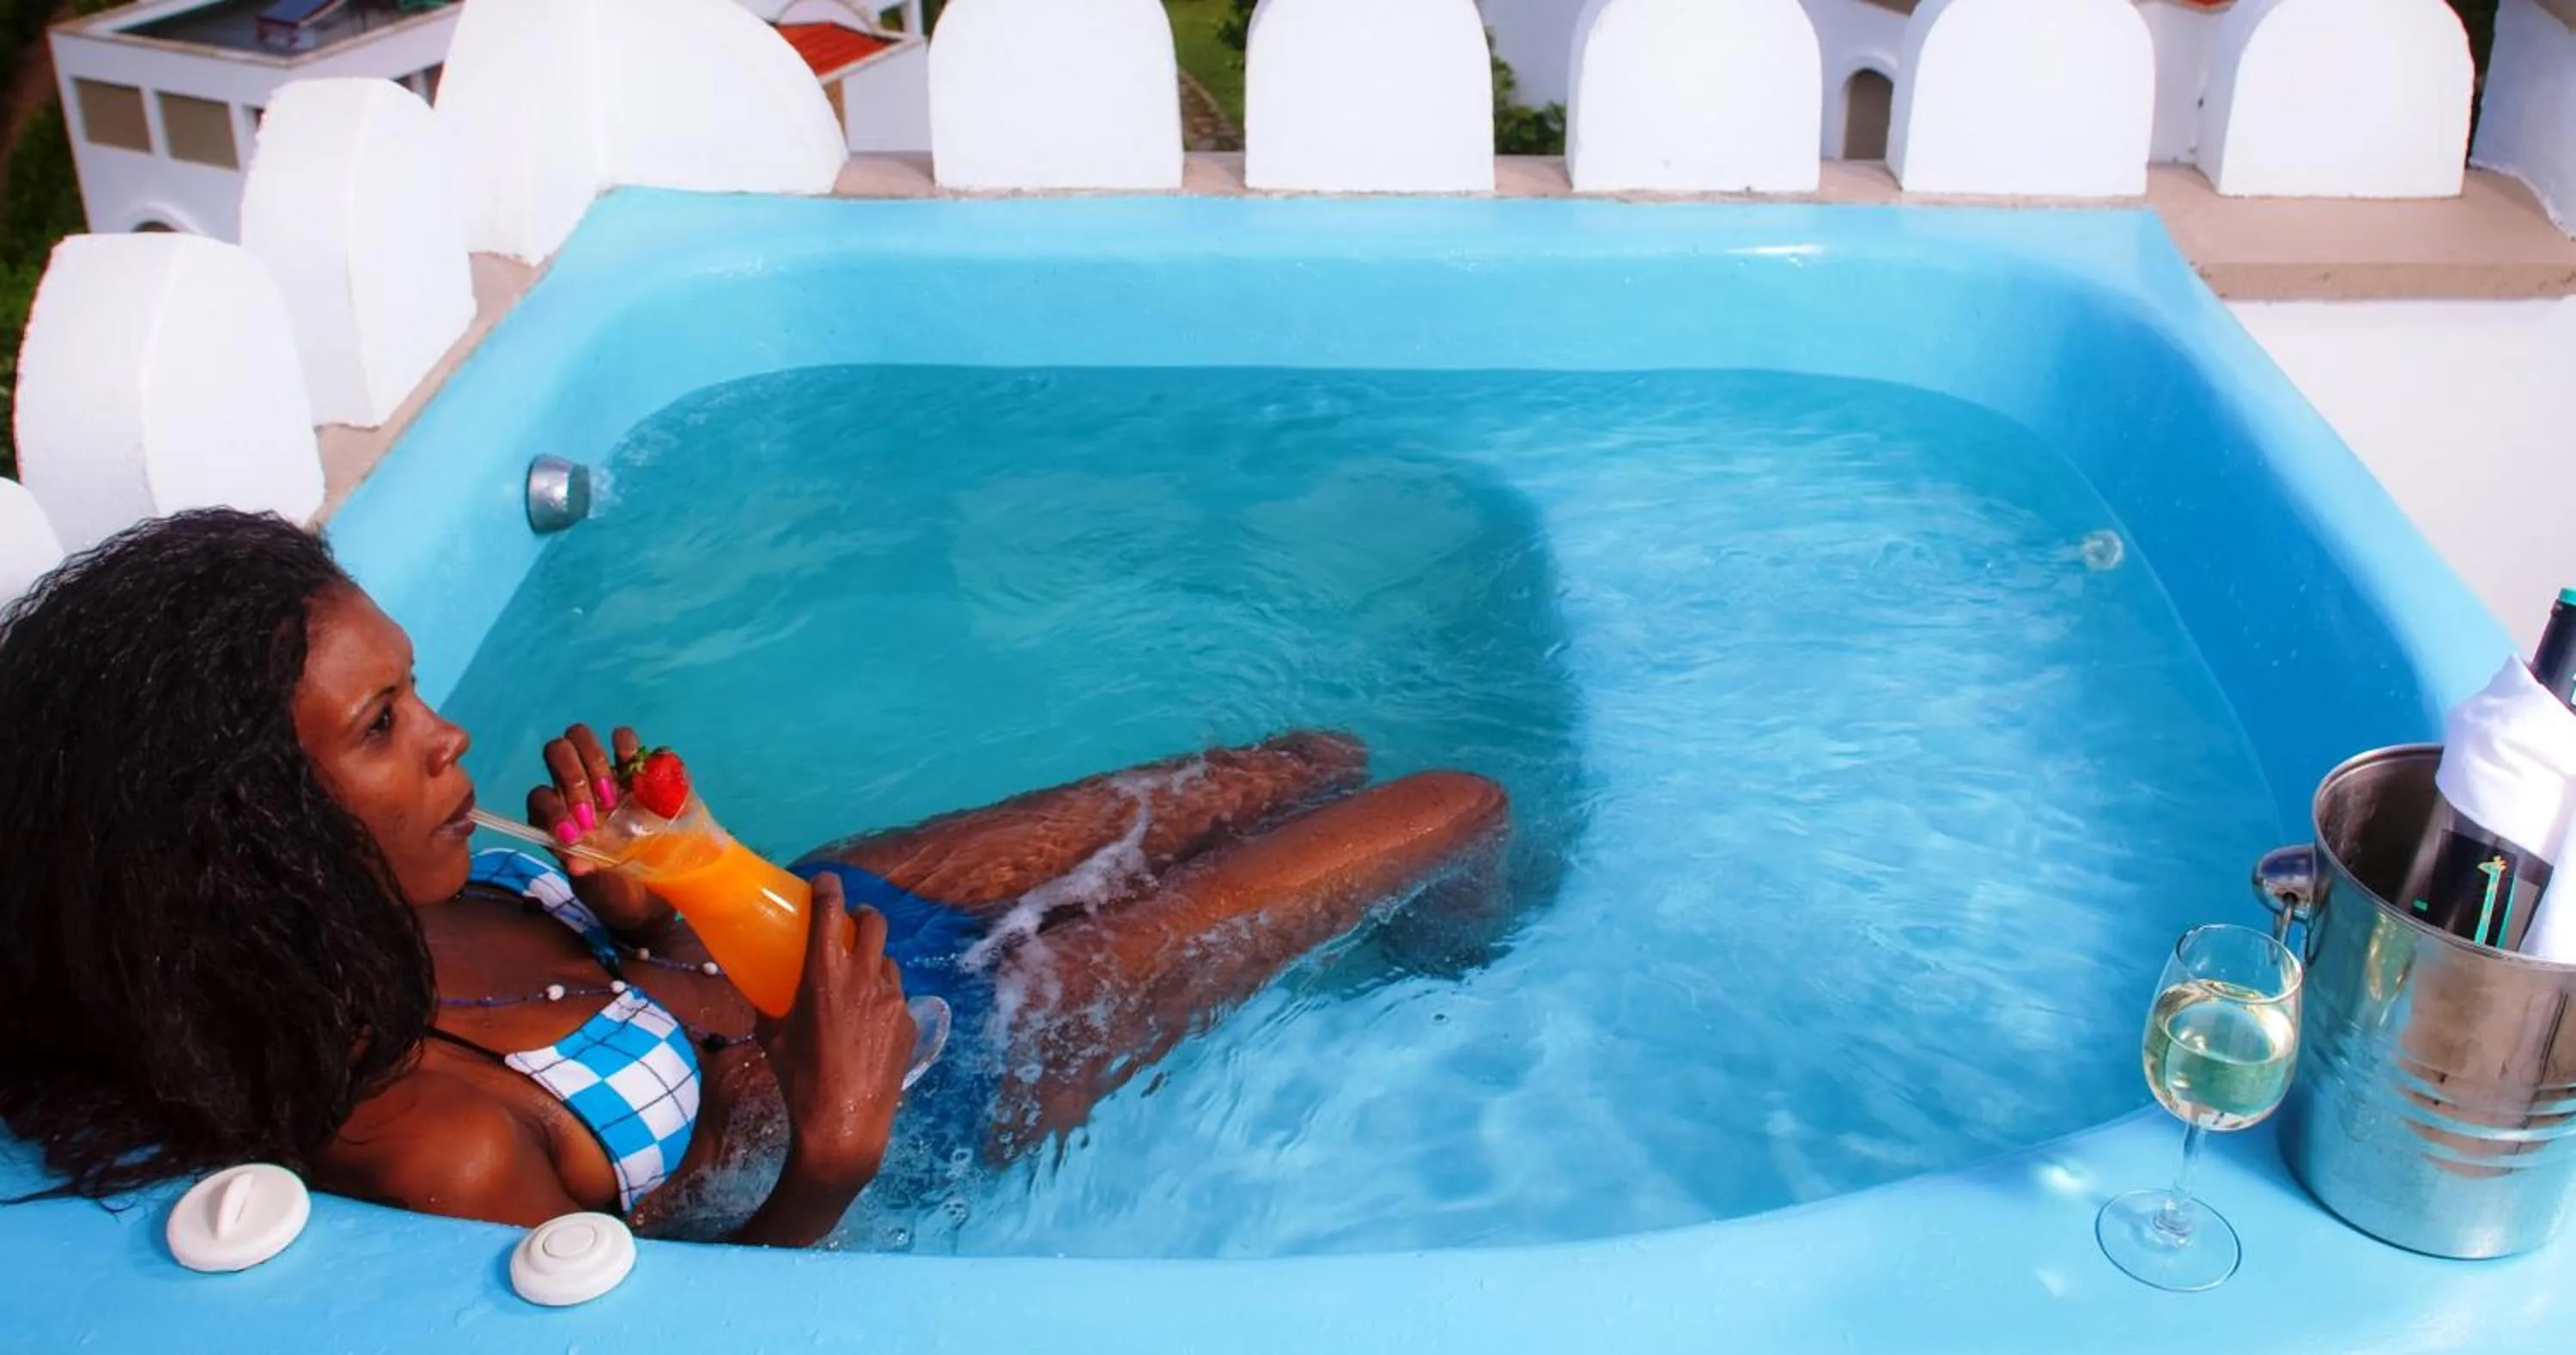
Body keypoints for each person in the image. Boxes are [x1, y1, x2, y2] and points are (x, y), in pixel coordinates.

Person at [0, 509, 1509, 1246]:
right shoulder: (432, 1142)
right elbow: (683, 1327)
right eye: (385, 725)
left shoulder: (410, 898)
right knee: (1456, 802)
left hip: (829, 913)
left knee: (1302, 760)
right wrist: (836, 1153)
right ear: (249, 830)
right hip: (947, 1072)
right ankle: (1457, 993)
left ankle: (1399, 942)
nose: (449, 732)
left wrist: (638, 898)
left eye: (413, 687)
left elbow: (621, 975)